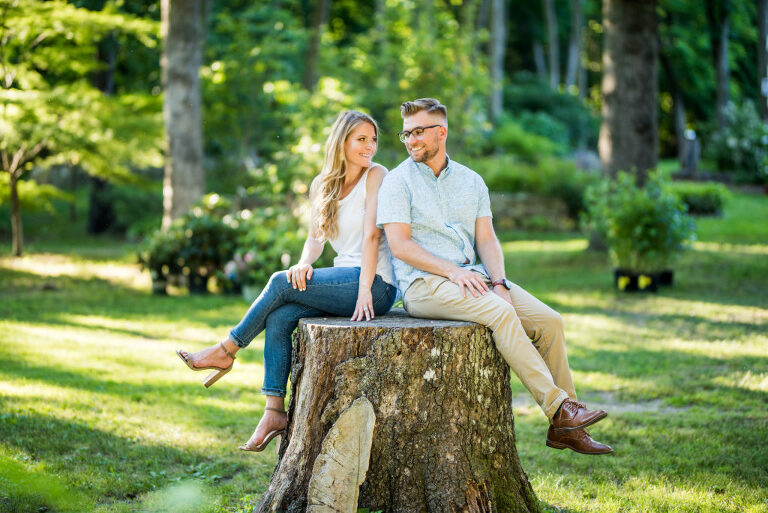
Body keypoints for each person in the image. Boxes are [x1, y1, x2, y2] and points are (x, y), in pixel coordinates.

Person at [377, 98, 613, 455]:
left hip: (473, 277)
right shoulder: (397, 182)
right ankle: (558, 407)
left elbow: (486, 239)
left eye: (419, 132)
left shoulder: (472, 181)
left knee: (550, 321)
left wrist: (499, 283)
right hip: (423, 284)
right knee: (500, 313)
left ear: (441, 132)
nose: (411, 140)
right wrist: (454, 272)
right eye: (406, 134)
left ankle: (567, 428)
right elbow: (401, 246)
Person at [177, 110, 398, 452]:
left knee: (278, 284)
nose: (370, 146)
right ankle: (274, 411)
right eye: (361, 139)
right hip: (346, 280)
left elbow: (372, 237)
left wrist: (366, 290)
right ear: (341, 142)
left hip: (375, 285)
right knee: (280, 317)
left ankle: (226, 350)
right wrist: (303, 264)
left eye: (373, 139)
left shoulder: (377, 175)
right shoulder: (322, 184)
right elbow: (316, 238)